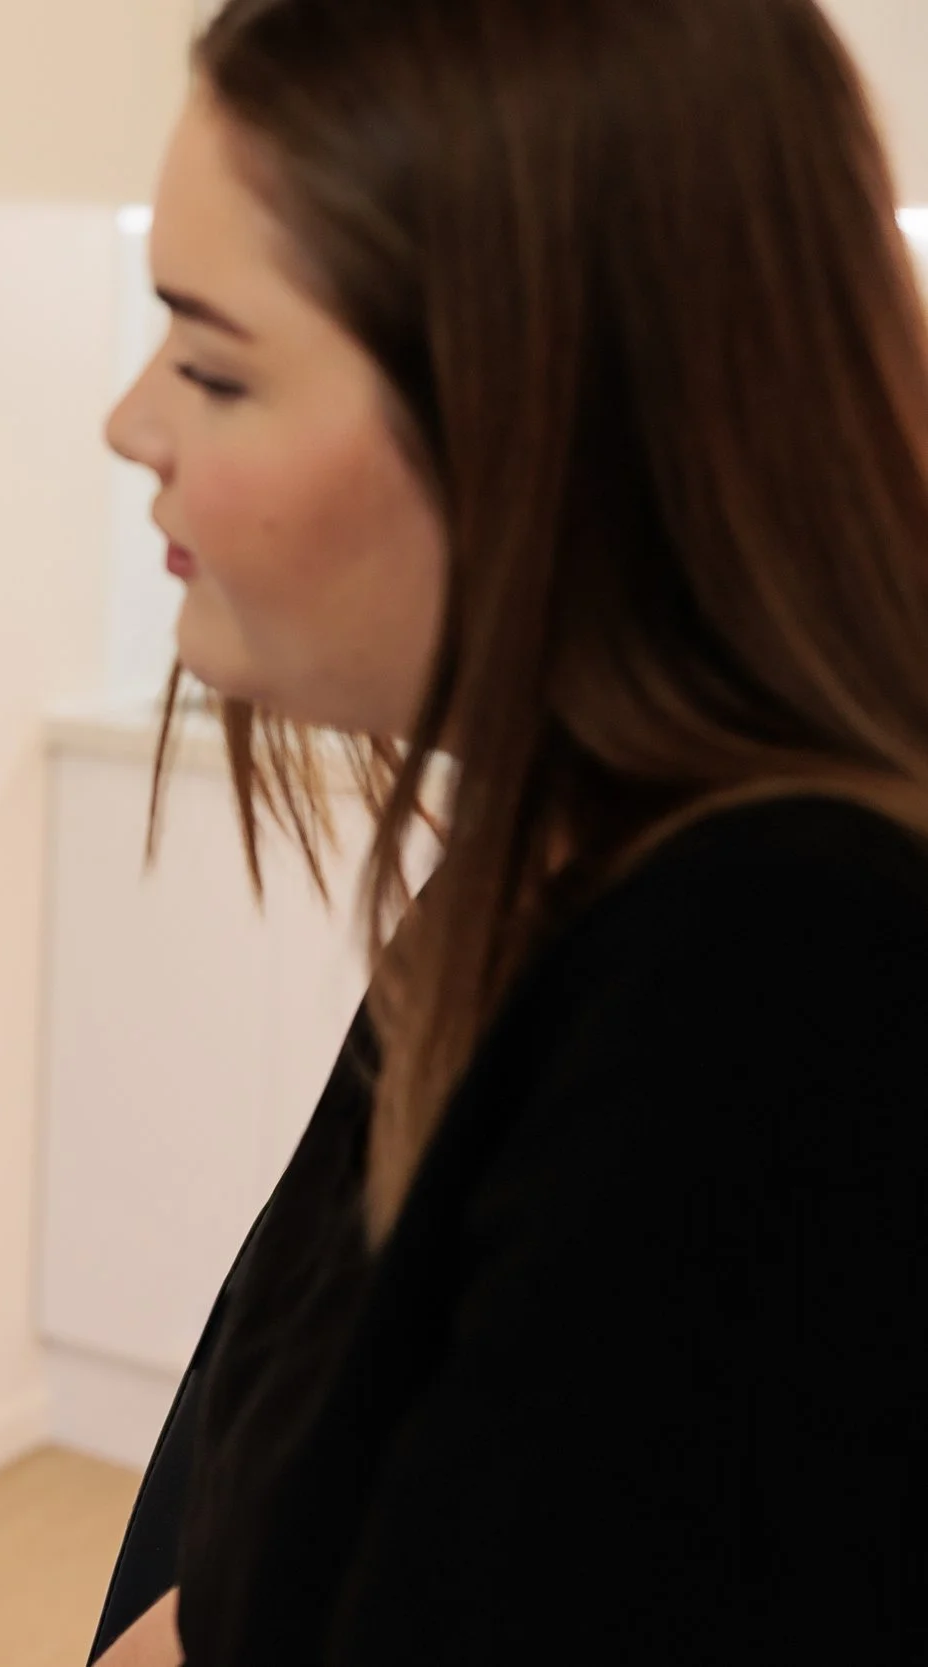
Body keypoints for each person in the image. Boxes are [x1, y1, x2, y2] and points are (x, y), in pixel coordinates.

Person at [91, 0, 928, 1661]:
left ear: (546, 411)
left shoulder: (774, 978)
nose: (134, 421)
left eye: (218, 365)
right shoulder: (551, 895)